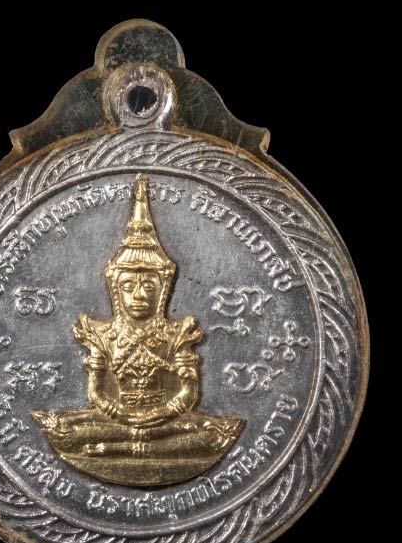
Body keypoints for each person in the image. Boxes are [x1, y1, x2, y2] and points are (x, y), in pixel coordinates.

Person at [32, 176, 245, 486]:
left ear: (163, 290)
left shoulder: (178, 334)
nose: (139, 295)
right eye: (129, 286)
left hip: (168, 421)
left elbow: (189, 394)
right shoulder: (101, 334)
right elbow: (95, 393)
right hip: (115, 419)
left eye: (148, 285)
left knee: (208, 434)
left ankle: (121, 447)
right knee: (73, 431)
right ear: (115, 290)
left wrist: (159, 415)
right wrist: (121, 415)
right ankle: (133, 443)